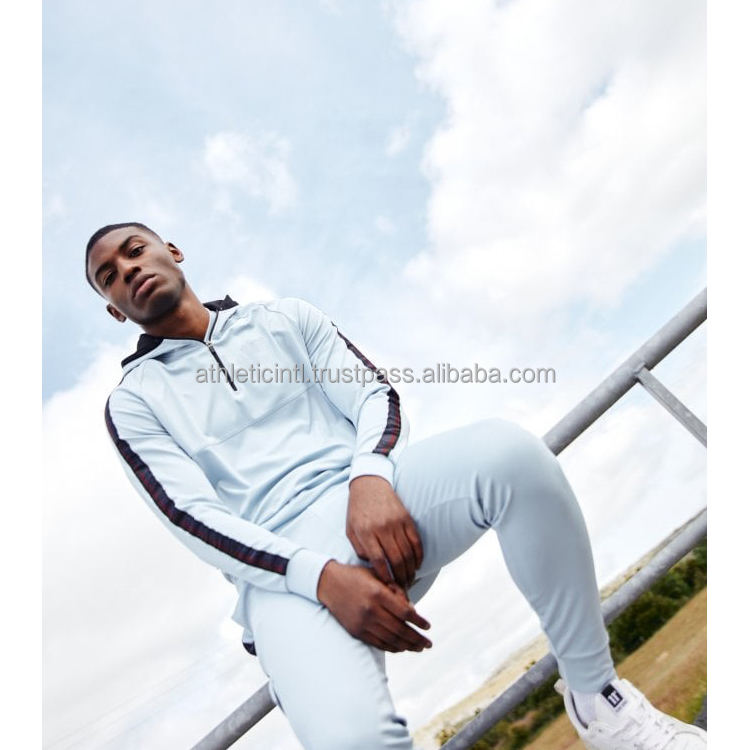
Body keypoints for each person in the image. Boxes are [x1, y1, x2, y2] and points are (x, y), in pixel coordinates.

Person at [87, 221, 707, 750]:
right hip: (286, 580)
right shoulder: (133, 403)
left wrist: (370, 476)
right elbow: (190, 517)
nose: (128, 270)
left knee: (509, 454)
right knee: (355, 740)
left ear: (172, 250)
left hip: (376, 506)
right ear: (115, 309)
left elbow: (372, 395)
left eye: (134, 250)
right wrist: (320, 576)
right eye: (109, 276)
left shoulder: (283, 317)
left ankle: (600, 703)